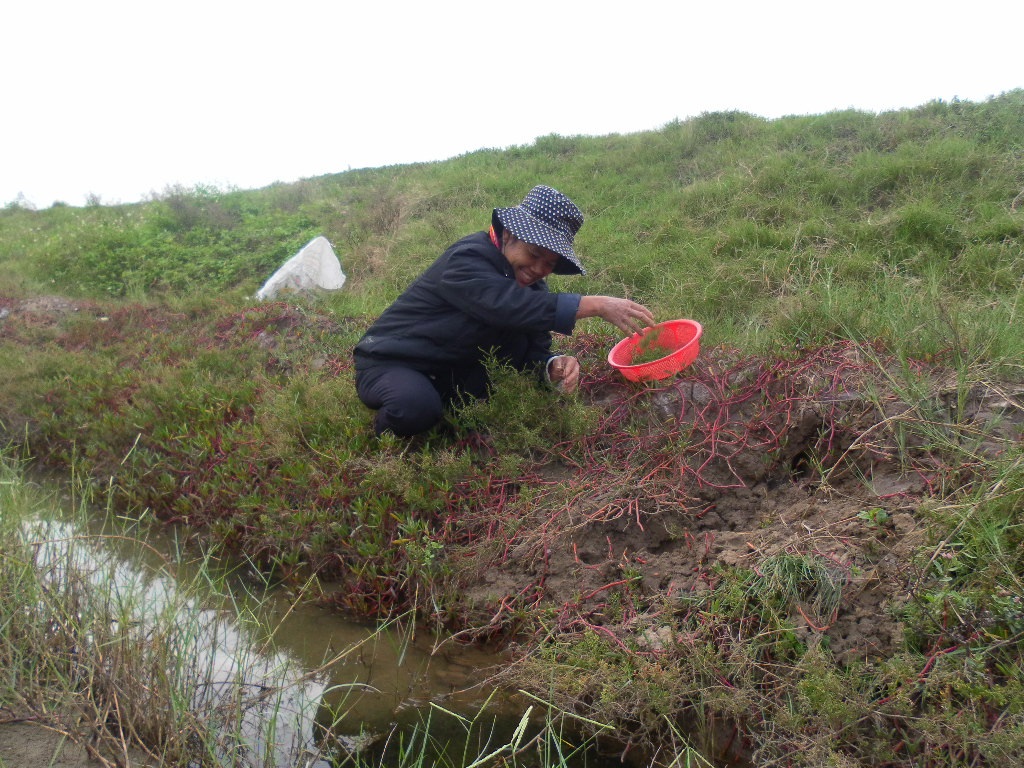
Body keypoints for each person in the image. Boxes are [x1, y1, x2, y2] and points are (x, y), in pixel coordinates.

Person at [352, 184, 655, 437]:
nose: (538, 269)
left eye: (549, 264)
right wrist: (596, 305)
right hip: (394, 363)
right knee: (414, 407)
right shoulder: (468, 258)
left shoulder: (532, 289)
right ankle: (385, 440)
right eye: (533, 254)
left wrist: (552, 365)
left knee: (480, 404)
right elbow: (505, 305)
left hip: (452, 369)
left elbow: (530, 347)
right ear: (509, 234)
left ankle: (441, 409)